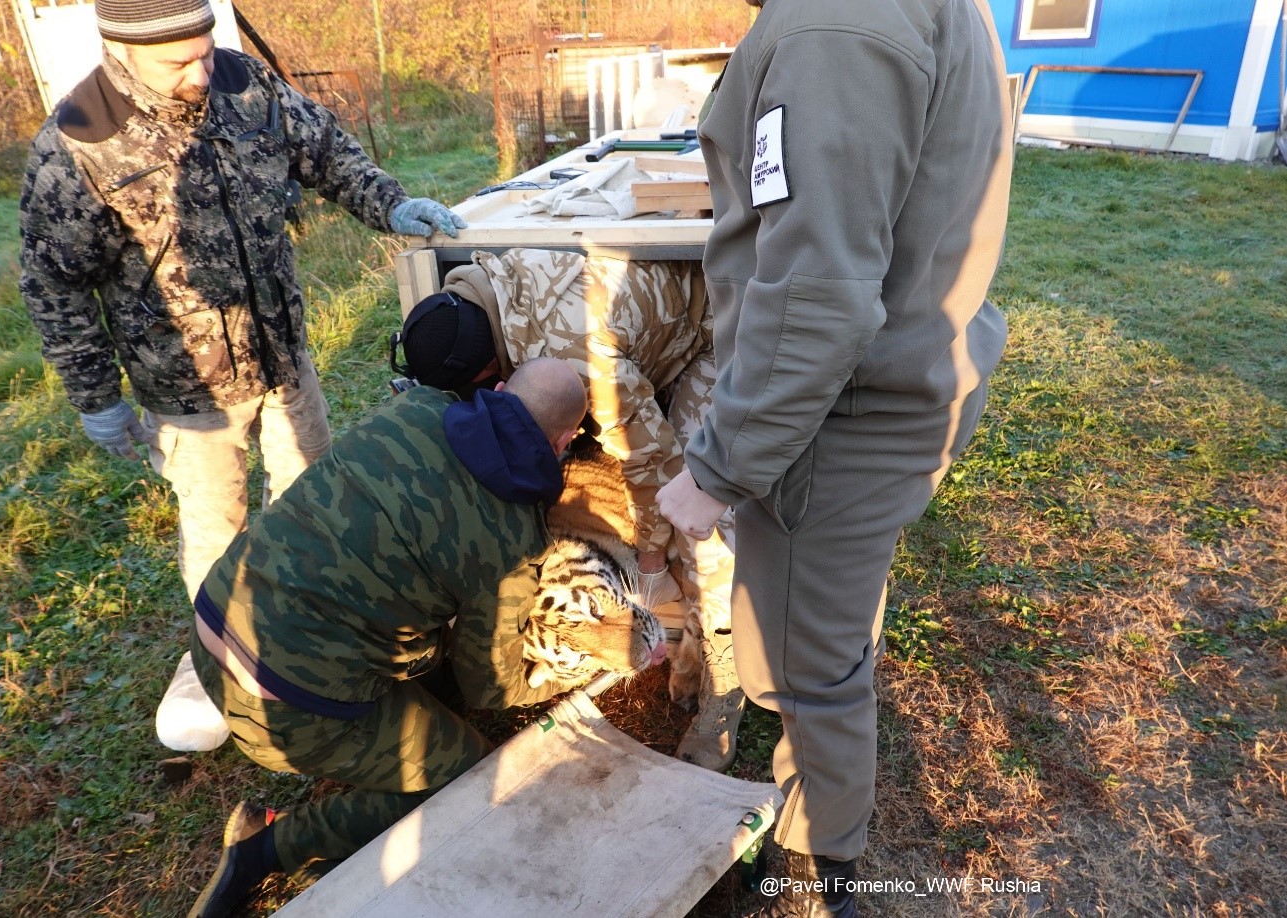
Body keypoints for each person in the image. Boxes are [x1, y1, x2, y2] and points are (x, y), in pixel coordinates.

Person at [656, 0, 1014, 914]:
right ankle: (815, 839)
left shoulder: (835, 24)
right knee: (832, 635)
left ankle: (817, 872)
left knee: (802, 668)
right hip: (901, 379)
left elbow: (817, 297)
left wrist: (716, 470)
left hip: (841, 419)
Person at [18, 0, 466, 606]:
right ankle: (225, 649)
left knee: (314, 499)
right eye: (177, 62)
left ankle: (311, 616)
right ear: (121, 51)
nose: (200, 74)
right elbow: (56, 284)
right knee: (217, 538)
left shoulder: (245, 82)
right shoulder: (79, 140)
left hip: (283, 356)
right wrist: (95, 397)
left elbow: (327, 151)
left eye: (204, 51)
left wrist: (387, 203)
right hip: (188, 390)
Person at [185, 356, 588, 917]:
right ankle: (269, 846)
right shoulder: (514, 538)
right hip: (284, 713)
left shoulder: (417, 407)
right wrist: (573, 674)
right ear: (564, 440)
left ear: (498, 389)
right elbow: (488, 687)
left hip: (213, 621)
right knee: (465, 775)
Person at [393, 248, 743, 770]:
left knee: (698, 509)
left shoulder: (583, 361)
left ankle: (724, 681)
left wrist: (651, 566)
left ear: (495, 372)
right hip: (627, 340)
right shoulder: (473, 288)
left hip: (712, 328)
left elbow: (654, 465)